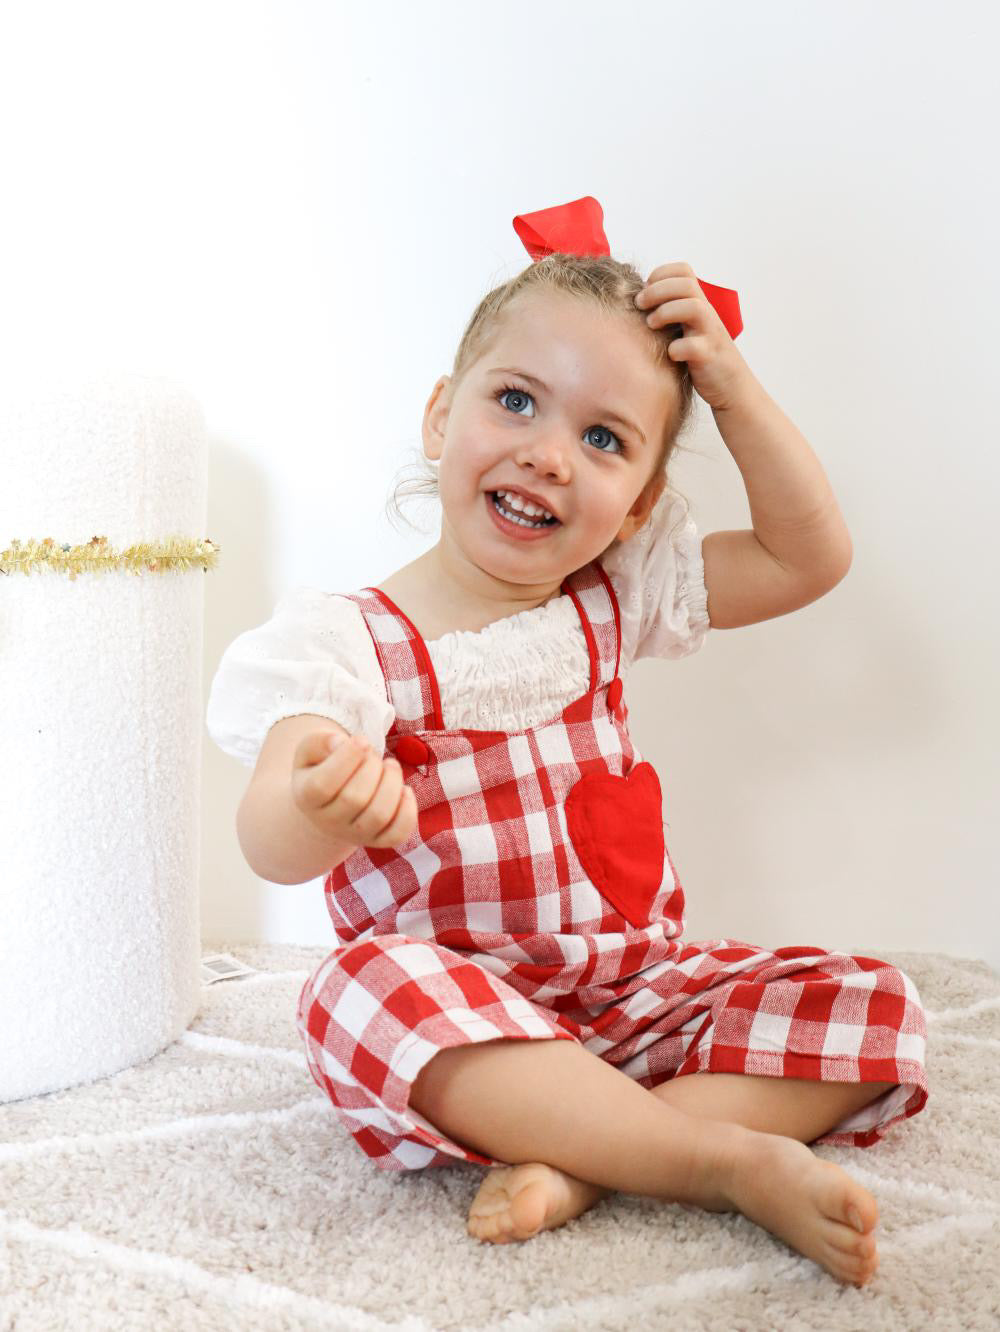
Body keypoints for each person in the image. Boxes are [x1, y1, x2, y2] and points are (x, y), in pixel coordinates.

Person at [206, 197, 928, 1289]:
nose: (549, 455)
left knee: (871, 999)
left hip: (636, 997)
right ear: (441, 416)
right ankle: (717, 1160)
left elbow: (804, 557)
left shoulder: (615, 598)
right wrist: (314, 802)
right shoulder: (341, 643)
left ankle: (592, 1158)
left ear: (637, 507)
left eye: (602, 440)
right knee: (356, 989)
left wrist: (731, 391)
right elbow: (270, 840)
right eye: (516, 402)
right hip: (472, 1023)